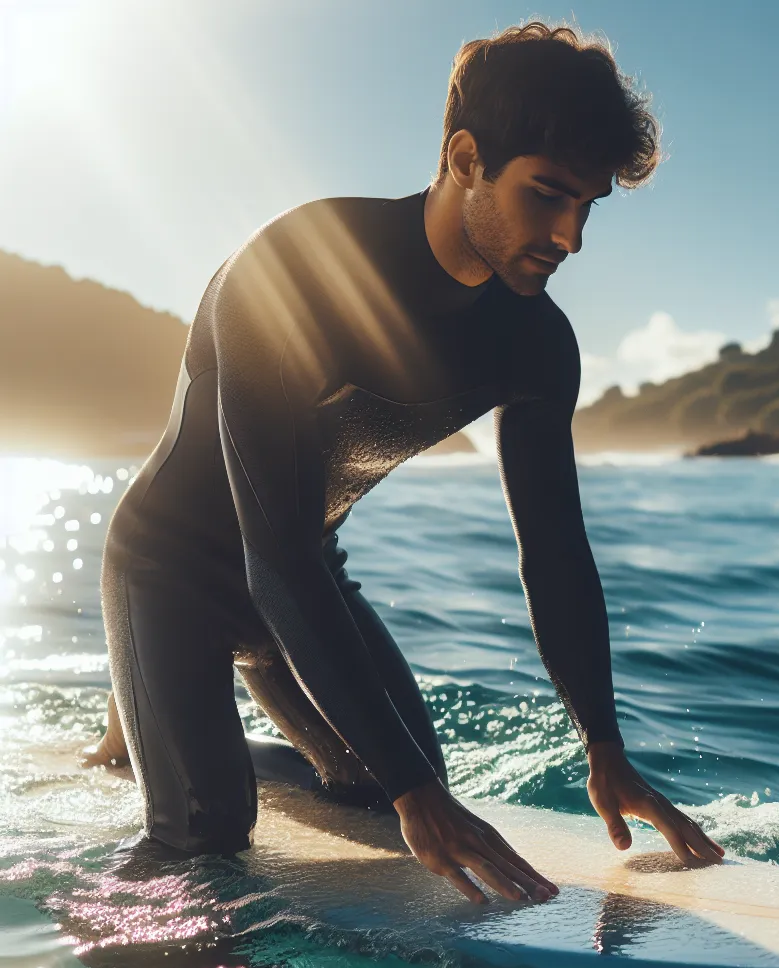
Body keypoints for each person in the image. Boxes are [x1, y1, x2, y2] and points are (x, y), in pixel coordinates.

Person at [84, 21, 724, 905]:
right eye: (546, 195)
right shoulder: (294, 273)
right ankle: (163, 722)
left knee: (389, 790)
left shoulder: (537, 343)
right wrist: (419, 796)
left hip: (303, 587)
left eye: (588, 206)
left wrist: (603, 748)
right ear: (466, 158)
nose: (570, 237)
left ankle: (175, 723)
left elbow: (555, 552)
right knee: (205, 835)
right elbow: (271, 555)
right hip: (172, 567)